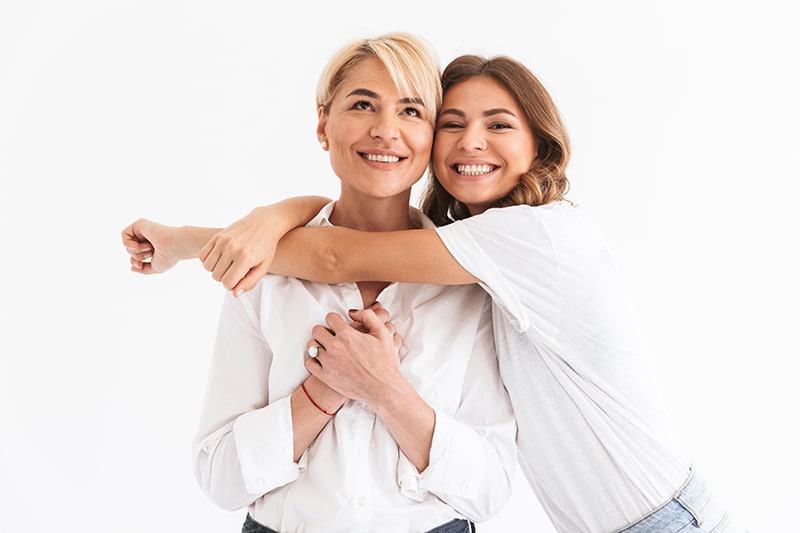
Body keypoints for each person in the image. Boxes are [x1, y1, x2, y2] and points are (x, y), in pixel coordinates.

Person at [123, 53, 745, 533]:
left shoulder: (530, 239)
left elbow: (336, 254)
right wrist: (277, 216)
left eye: (498, 124)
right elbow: (220, 473)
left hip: (661, 520)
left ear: (539, 145)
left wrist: (186, 240)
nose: (470, 142)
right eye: (454, 122)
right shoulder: (470, 261)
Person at [124, 33, 519, 533]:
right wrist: (322, 393)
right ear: (322, 124)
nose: (385, 130)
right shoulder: (263, 274)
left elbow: (490, 489)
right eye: (362, 104)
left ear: (433, 135)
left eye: (411, 111)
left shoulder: (472, 286)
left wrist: (384, 390)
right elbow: (219, 478)